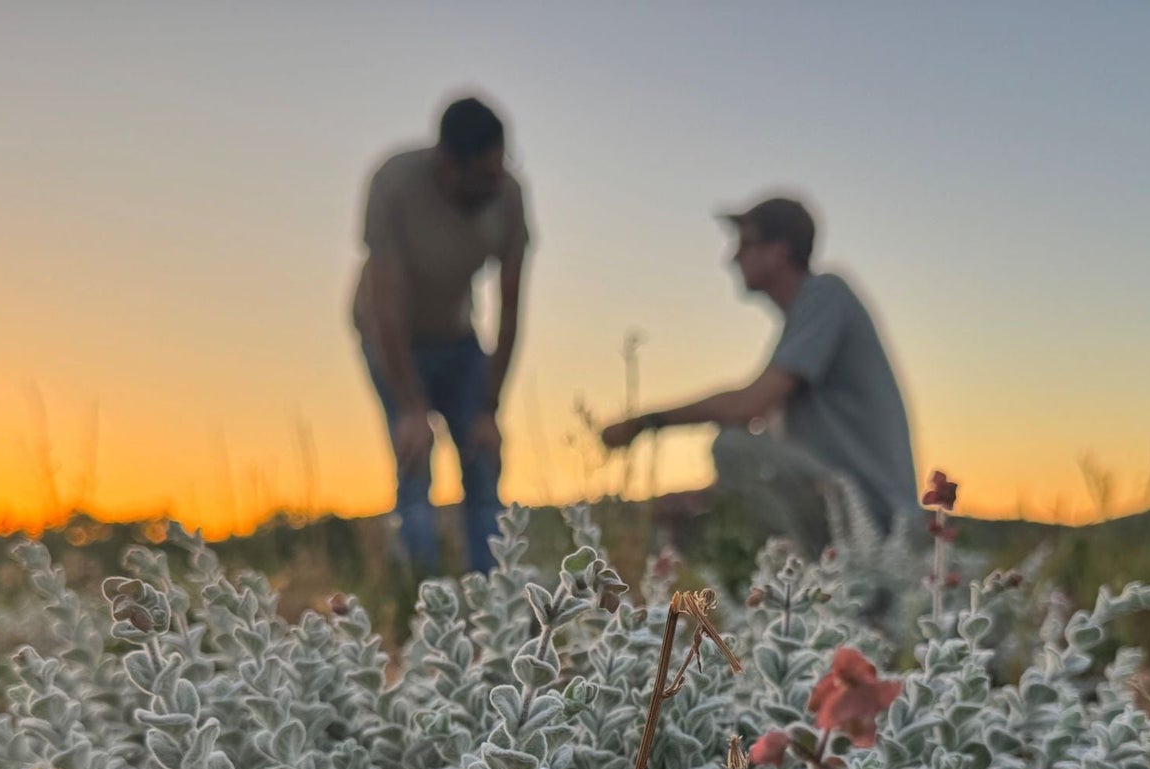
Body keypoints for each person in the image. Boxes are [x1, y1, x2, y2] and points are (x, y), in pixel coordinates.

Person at [601, 196, 918, 557]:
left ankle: (812, 585)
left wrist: (646, 422)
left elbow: (747, 406)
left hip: (875, 519)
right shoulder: (806, 320)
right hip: (850, 510)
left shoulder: (825, 295)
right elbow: (771, 438)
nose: (732, 258)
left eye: (746, 244)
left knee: (732, 446)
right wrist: (707, 496)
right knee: (694, 515)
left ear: (780, 251)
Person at [353, 96, 531, 575]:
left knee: (482, 459)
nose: (496, 184)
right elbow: (384, 306)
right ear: (448, 164)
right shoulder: (393, 184)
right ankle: (422, 600)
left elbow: (511, 310)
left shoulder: (509, 196)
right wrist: (411, 408)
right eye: (484, 176)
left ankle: (494, 597)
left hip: (458, 338)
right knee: (414, 463)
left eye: (501, 170)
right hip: (391, 338)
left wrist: (490, 408)